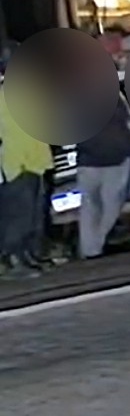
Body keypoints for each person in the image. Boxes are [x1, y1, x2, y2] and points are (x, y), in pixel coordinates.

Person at [0, 54, 57, 273]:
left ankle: (28, 255)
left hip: (35, 161)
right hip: (19, 162)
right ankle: (12, 259)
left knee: (33, 215)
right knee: (19, 216)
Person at [76, 94, 130, 259]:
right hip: (107, 158)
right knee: (104, 204)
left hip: (97, 158)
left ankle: (92, 246)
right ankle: (93, 245)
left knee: (96, 206)